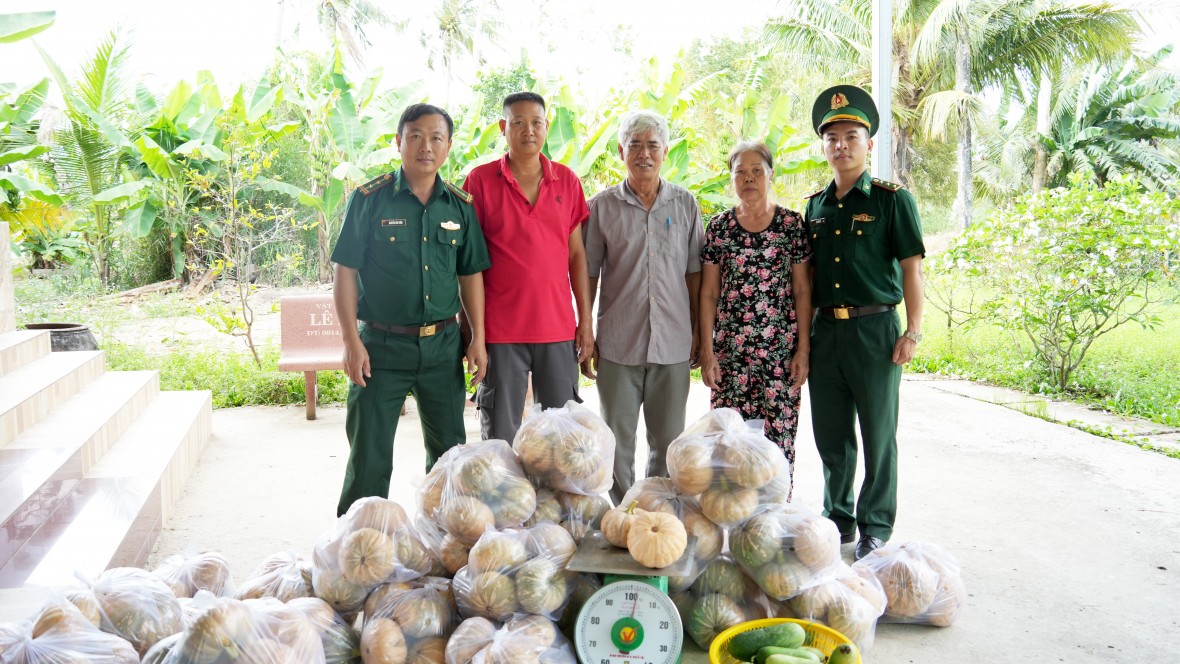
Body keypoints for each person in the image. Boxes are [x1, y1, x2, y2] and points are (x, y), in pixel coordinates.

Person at [331, 103, 491, 517]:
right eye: (416, 136)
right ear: (398, 141)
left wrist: (479, 340)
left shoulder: (459, 206)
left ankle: (444, 543)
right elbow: (345, 272)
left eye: (437, 137)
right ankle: (356, 549)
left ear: (449, 146)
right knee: (369, 456)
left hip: (442, 348)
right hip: (380, 347)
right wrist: (351, 341)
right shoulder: (369, 200)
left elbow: (470, 275)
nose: (426, 146)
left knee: (449, 458)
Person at [804, 85, 926, 560]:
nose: (841, 145)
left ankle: (876, 523)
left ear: (868, 143)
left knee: (878, 434)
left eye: (851, 136)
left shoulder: (892, 200)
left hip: (876, 332)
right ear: (824, 146)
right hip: (826, 334)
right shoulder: (815, 206)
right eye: (832, 138)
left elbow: (912, 267)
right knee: (832, 436)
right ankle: (839, 517)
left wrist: (912, 330)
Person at [582, 110, 706, 505]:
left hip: (672, 343)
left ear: (665, 152)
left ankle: (657, 514)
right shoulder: (600, 208)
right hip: (619, 343)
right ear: (621, 151)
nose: (644, 154)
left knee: (668, 443)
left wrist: (701, 332)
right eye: (635, 145)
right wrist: (585, 329)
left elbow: (695, 275)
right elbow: (587, 275)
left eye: (653, 145)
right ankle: (621, 516)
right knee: (615, 442)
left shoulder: (685, 204)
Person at [462, 92, 593, 442]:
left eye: (536, 122)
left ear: (547, 127)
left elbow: (577, 256)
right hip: (500, 333)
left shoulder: (567, 181)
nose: (528, 130)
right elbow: (468, 263)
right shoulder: (480, 181)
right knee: (500, 439)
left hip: (558, 330)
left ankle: (558, 500)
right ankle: (505, 499)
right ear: (503, 128)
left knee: (562, 440)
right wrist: (474, 335)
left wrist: (586, 321)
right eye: (518, 123)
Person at [699, 141, 813, 496]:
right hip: (731, 356)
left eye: (756, 171)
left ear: (770, 174)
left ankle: (776, 522)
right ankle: (731, 522)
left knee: (777, 442)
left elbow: (802, 291)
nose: (748, 178)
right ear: (731, 178)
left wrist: (803, 350)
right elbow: (708, 293)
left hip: (779, 356)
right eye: (740, 172)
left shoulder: (792, 225)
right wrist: (707, 351)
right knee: (730, 442)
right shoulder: (718, 228)